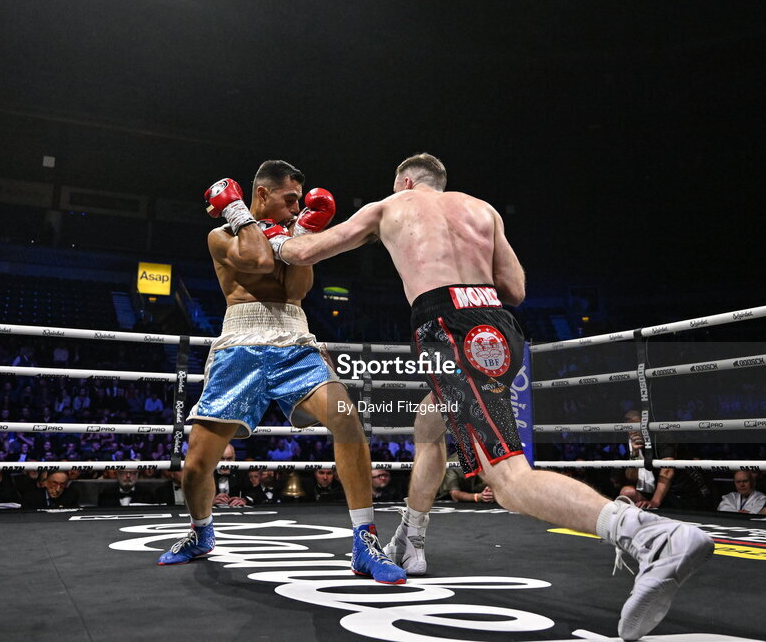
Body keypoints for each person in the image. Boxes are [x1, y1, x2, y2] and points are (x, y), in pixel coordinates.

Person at [274, 152, 713, 640]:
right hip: (499, 329)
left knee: (507, 479)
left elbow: (303, 253)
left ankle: (650, 536)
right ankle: (412, 538)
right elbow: (516, 289)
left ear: (404, 181)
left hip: (448, 328)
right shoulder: (484, 210)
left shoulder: (387, 207)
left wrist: (284, 229)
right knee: (429, 422)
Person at [157, 160, 405, 584]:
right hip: (239, 345)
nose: (296, 209)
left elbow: (297, 290)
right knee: (197, 465)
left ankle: (365, 541)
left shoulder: (295, 237)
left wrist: (304, 233)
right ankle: (200, 532)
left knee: (347, 420)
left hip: (293, 339)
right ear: (262, 194)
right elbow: (254, 260)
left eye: (300, 202)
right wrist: (236, 211)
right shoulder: (220, 235)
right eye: (290, 200)